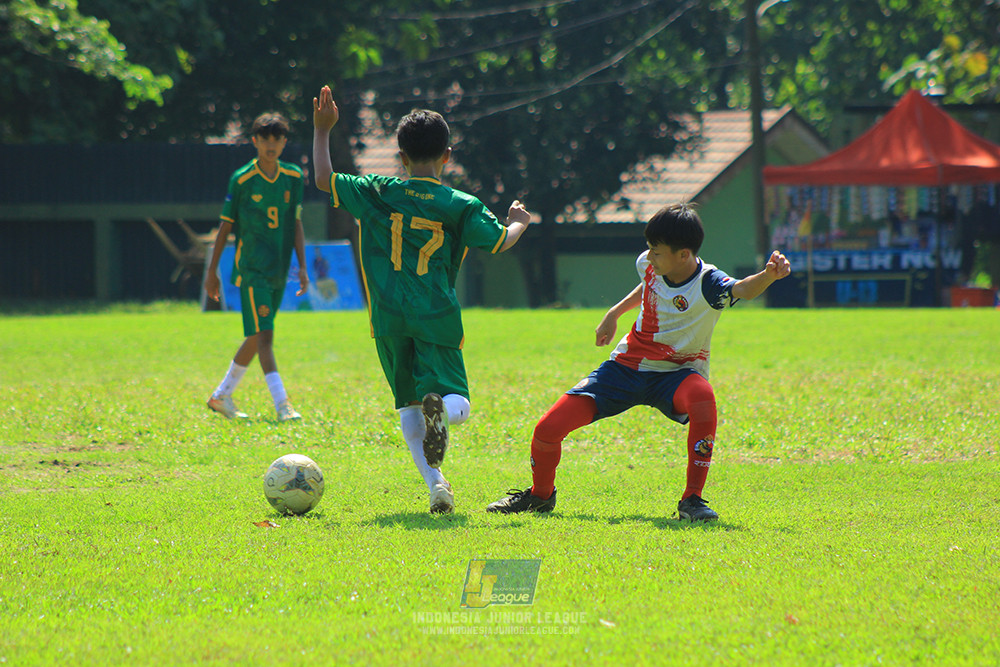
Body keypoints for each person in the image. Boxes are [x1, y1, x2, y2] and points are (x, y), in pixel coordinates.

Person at [486, 203, 791, 521]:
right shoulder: (650, 263)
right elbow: (648, 284)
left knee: (703, 396)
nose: (650, 256)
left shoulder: (708, 283)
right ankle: (540, 496)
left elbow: (742, 290)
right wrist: (614, 313)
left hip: (676, 374)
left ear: (683, 255)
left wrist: (768, 276)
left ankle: (692, 501)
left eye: (658, 252)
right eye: (650, 249)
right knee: (547, 429)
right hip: (625, 368)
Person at [312, 85, 532, 514]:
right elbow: (501, 241)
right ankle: (444, 416)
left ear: (401, 157)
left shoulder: (377, 190)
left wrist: (323, 131)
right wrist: (519, 222)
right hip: (436, 313)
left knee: (408, 409)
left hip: (389, 315)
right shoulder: (461, 204)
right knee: (458, 404)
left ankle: (437, 485)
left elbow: (323, 179)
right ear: (447, 156)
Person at [204, 111, 309, 422]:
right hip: (252, 271)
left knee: (256, 336)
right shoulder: (242, 179)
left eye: (277, 139)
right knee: (265, 336)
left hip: (279, 269)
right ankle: (282, 405)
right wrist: (212, 272)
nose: (271, 145)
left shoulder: (293, 177)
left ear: (284, 142)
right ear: (254, 141)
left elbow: (296, 224)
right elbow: (224, 227)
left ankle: (221, 396)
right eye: (265, 139)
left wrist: (302, 266)